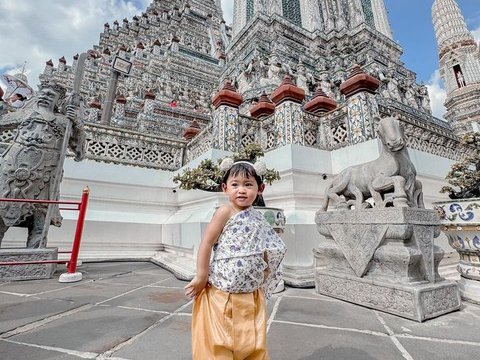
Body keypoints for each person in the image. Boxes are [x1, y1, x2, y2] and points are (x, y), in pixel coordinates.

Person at [184, 159, 286, 360]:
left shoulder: (258, 217)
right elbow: (206, 243)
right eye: (235, 184)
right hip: (222, 292)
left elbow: (261, 244)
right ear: (225, 188)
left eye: (248, 185)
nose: (241, 190)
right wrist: (201, 275)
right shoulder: (224, 212)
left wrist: (264, 269)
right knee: (221, 340)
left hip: (251, 293)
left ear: (260, 188)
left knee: (252, 340)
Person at [0, 81, 86, 248]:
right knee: (2, 212)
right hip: (13, 171)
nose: (46, 96)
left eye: (51, 95)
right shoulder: (24, 114)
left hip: (45, 175)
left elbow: (80, 151)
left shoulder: (63, 122)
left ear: (58, 101)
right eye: (44, 93)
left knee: (40, 220)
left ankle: (35, 255)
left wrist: (77, 123)